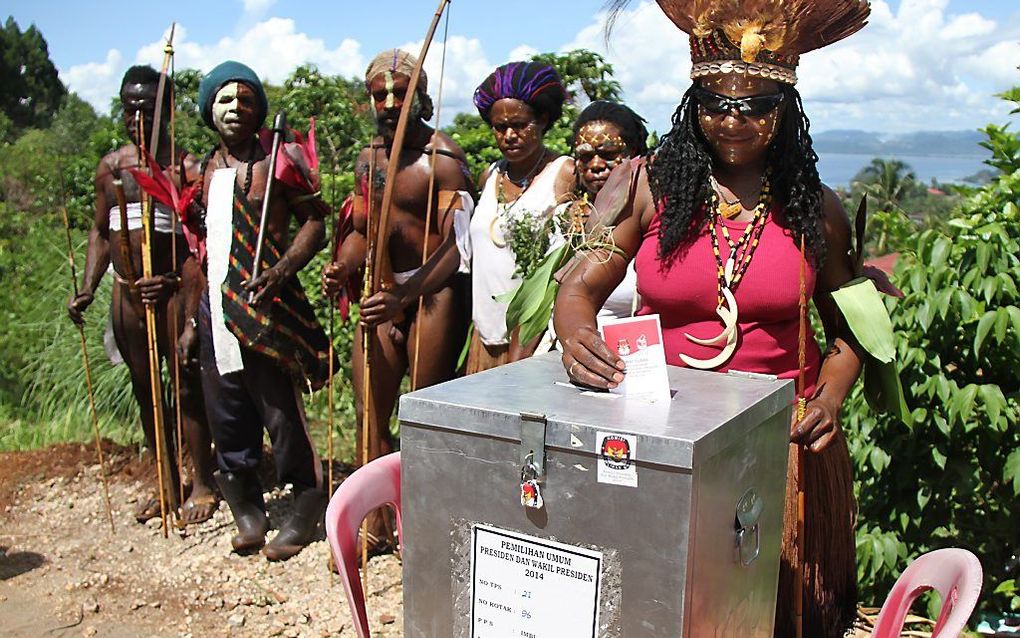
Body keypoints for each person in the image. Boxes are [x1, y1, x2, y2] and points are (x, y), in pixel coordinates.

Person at [556, 1, 873, 635]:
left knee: (772, 614)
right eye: (715, 100)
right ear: (693, 102)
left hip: (779, 448)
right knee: (666, 603)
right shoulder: (649, 187)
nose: (734, 119)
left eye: (756, 104)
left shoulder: (816, 208)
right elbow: (580, 287)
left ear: (784, 110)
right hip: (664, 438)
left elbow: (852, 331)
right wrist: (575, 334)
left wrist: (832, 396)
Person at [321, 49, 473, 551]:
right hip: (382, 291)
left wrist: (407, 293)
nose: (389, 102)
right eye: (379, 94)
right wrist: (343, 266)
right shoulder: (370, 158)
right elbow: (365, 231)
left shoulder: (444, 159)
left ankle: (426, 528)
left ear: (422, 97)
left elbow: (458, 249)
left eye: (400, 92)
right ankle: (376, 524)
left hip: (435, 291)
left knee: (422, 411)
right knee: (371, 409)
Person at [182, 61, 332, 561]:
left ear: (259, 110)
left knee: (279, 409)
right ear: (209, 110)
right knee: (226, 407)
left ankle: (305, 501)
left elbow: (315, 222)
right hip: (215, 306)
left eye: (246, 100)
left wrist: (284, 268)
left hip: (267, 300)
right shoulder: (199, 169)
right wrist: (190, 318)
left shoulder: (280, 157)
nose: (236, 109)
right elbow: (197, 250)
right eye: (225, 100)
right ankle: (246, 507)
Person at [66, 65, 218, 526]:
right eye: (129, 109)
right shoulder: (113, 169)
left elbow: (202, 246)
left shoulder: (187, 168)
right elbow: (98, 233)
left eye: (147, 110)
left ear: (167, 111)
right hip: (126, 296)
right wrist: (88, 288)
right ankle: (165, 481)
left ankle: (204, 483)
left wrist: (177, 286)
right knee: (145, 387)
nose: (137, 118)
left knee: (187, 384)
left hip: (173, 293)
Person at [468, 61, 575, 372]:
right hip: (485, 333)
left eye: (520, 124)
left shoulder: (564, 172)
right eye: (500, 128)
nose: (510, 135)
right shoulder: (489, 176)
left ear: (542, 119)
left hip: (533, 335)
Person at [572, 100, 649, 320]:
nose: (595, 165)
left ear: (634, 153)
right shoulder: (565, 219)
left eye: (608, 154)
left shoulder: (655, 222)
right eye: (585, 157)